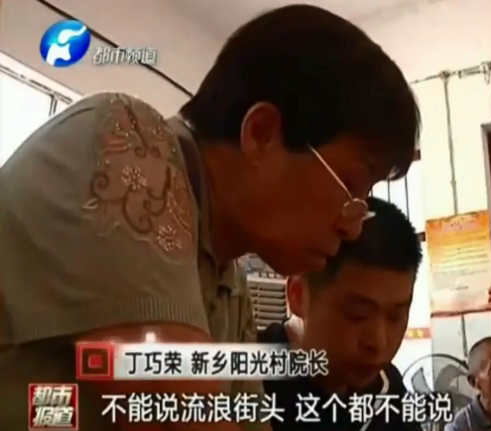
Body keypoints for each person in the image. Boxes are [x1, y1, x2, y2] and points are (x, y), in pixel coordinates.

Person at [0, 4, 420, 431]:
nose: (353, 224)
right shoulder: (125, 141)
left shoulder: (229, 288)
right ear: (261, 134)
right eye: (350, 185)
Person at [259, 197, 423, 431]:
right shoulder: (246, 382)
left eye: (395, 316)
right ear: (298, 295)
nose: (378, 341)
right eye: (358, 314)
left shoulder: (389, 391)